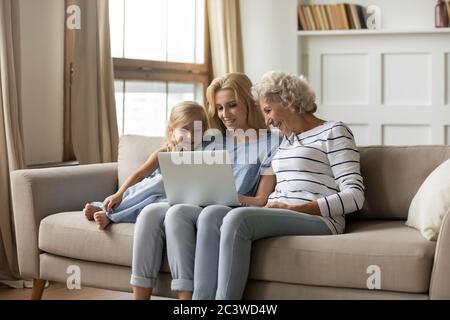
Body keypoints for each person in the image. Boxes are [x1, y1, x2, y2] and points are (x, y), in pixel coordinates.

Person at [200, 71, 366, 300]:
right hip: (279, 211)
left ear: (289, 101)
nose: (267, 120)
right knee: (211, 214)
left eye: (268, 110)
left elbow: (355, 196)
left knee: (237, 220)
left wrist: (297, 209)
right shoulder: (285, 140)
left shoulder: (334, 132)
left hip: (318, 219)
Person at [131, 72, 281, 300]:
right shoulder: (210, 138)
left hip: (228, 209)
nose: (225, 115)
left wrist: (228, 195)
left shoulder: (271, 142)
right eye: (220, 108)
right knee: (150, 212)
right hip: (193, 201)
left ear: (250, 103)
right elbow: (178, 152)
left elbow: (261, 200)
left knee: (177, 213)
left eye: (232, 105)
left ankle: (188, 300)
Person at [82, 101, 209, 230]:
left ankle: (109, 214)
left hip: (168, 199)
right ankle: (107, 208)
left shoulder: (207, 155)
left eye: (197, 129)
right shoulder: (165, 152)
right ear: (172, 130)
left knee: (152, 206)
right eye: (185, 129)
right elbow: (139, 174)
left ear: (204, 131)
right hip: (149, 192)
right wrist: (118, 194)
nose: (191, 136)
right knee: (157, 183)